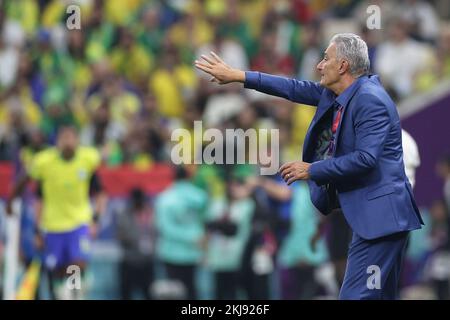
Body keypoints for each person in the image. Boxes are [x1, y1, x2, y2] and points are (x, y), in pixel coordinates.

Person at [194, 33, 424, 299]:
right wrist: (239, 76)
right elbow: (292, 88)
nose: (319, 65)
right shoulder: (342, 94)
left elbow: (365, 159)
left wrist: (310, 169)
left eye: (326, 58)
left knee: (355, 296)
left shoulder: (370, 100)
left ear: (343, 66)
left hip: (383, 219)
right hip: (374, 219)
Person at [6, 125, 106, 299]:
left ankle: (76, 291)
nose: (67, 142)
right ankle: (65, 293)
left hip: (79, 222)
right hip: (53, 225)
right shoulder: (44, 162)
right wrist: (11, 199)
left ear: (77, 141)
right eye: (63, 138)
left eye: (71, 138)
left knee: (78, 262)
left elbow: (100, 191)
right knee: (59, 270)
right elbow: (25, 180)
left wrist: (95, 220)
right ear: (57, 142)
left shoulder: (87, 158)